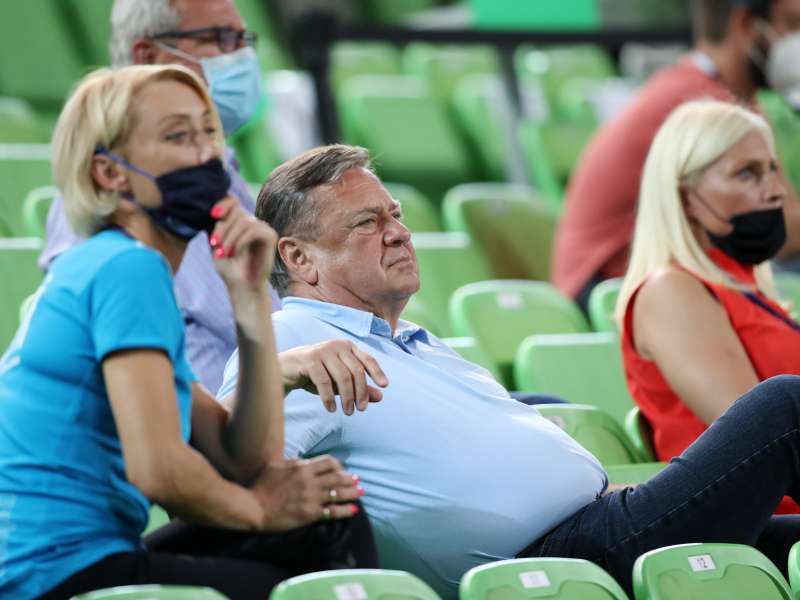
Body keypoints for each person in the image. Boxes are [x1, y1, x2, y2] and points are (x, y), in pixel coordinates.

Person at [220, 143, 800, 599]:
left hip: (601, 525)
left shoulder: (414, 341)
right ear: (299, 257)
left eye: (395, 214)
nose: (399, 231)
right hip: (552, 563)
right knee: (785, 408)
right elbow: (227, 465)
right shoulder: (293, 340)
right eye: (367, 223)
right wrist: (279, 372)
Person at [0, 67, 380, 600]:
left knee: (326, 513)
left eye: (208, 131)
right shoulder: (126, 268)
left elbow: (244, 459)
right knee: (305, 557)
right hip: (48, 575)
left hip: (82, 559)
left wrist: (249, 296)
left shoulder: (118, 267)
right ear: (110, 173)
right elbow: (158, 468)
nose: (205, 153)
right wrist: (259, 511)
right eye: (178, 136)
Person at [41, 0, 270, 392]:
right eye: (219, 38)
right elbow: (174, 415)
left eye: (242, 39)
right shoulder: (109, 233)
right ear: (148, 56)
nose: (241, 56)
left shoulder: (218, 175)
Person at [552, 0, 800, 310]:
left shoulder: (731, 99)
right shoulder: (701, 104)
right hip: (609, 285)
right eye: (792, 25)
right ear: (745, 25)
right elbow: (779, 228)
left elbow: (783, 211)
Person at [616, 99, 800, 463]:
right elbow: (761, 438)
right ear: (686, 199)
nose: (775, 190)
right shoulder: (671, 291)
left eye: (772, 170)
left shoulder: (748, 292)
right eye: (747, 173)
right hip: (753, 498)